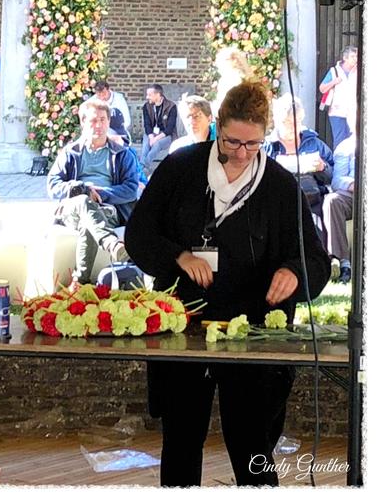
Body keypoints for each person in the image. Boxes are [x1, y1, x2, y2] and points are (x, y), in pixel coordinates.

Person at [125, 81, 330, 487]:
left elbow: (316, 260)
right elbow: (139, 234)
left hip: (251, 332)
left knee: (252, 443)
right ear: (218, 126)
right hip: (184, 326)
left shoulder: (279, 185)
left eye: (253, 144)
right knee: (181, 439)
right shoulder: (181, 167)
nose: (241, 153)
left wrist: (294, 272)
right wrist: (178, 256)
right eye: (233, 141)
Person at [47, 99, 138, 285]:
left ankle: (80, 281)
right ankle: (112, 244)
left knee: (88, 221)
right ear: (83, 122)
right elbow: (53, 186)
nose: (99, 125)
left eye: (103, 120)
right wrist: (82, 189)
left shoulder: (122, 154)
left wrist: (101, 194)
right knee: (83, 201)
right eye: (93, 120)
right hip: (72, 210)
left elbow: (131, 189)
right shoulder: (71, 153)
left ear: (109, 121)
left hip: (107, 210)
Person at [264, 93, 334, 240]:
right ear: (277, 121)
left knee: (315, 233)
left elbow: (333, 176)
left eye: (297, 122)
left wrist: (323, 167)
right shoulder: (267, 147)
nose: (293, 127)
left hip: (311, 204)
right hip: (277, 205)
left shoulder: (314, 143)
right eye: (287, 122)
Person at [322, 133, 355, 284]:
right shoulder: (346, 147)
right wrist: (353, 184)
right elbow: (337, 180)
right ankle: (342, 262)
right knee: (332, 200)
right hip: (354, 194)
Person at [319, 46, 358, 149]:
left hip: (353, 112)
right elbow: (322, 88)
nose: (355, 59)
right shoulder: (334, 71)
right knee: (340, 141)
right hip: (337, 112)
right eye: (352, 56)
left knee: (354, 141)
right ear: (345, 58)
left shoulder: (359, 71)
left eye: (356, 56)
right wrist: (334, 82)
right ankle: (338, 159)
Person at [140, 84, 177, 176]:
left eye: (149, 95)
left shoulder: (171, 106)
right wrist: (151, 137)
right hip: (151, 134)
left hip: (166, 135)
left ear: (158, 94)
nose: (147, 97)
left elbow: (170, 128)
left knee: (157, 144)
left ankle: (142, 167)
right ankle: (142, 168)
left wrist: (156, 139)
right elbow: (147, 125)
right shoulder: (147, 106)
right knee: (146, 145)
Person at [212, 46, 254, 117]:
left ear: (234, 61)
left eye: (222, 61)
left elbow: (226, 103)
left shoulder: (232, 78)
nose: (219, 66)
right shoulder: (240, 77)